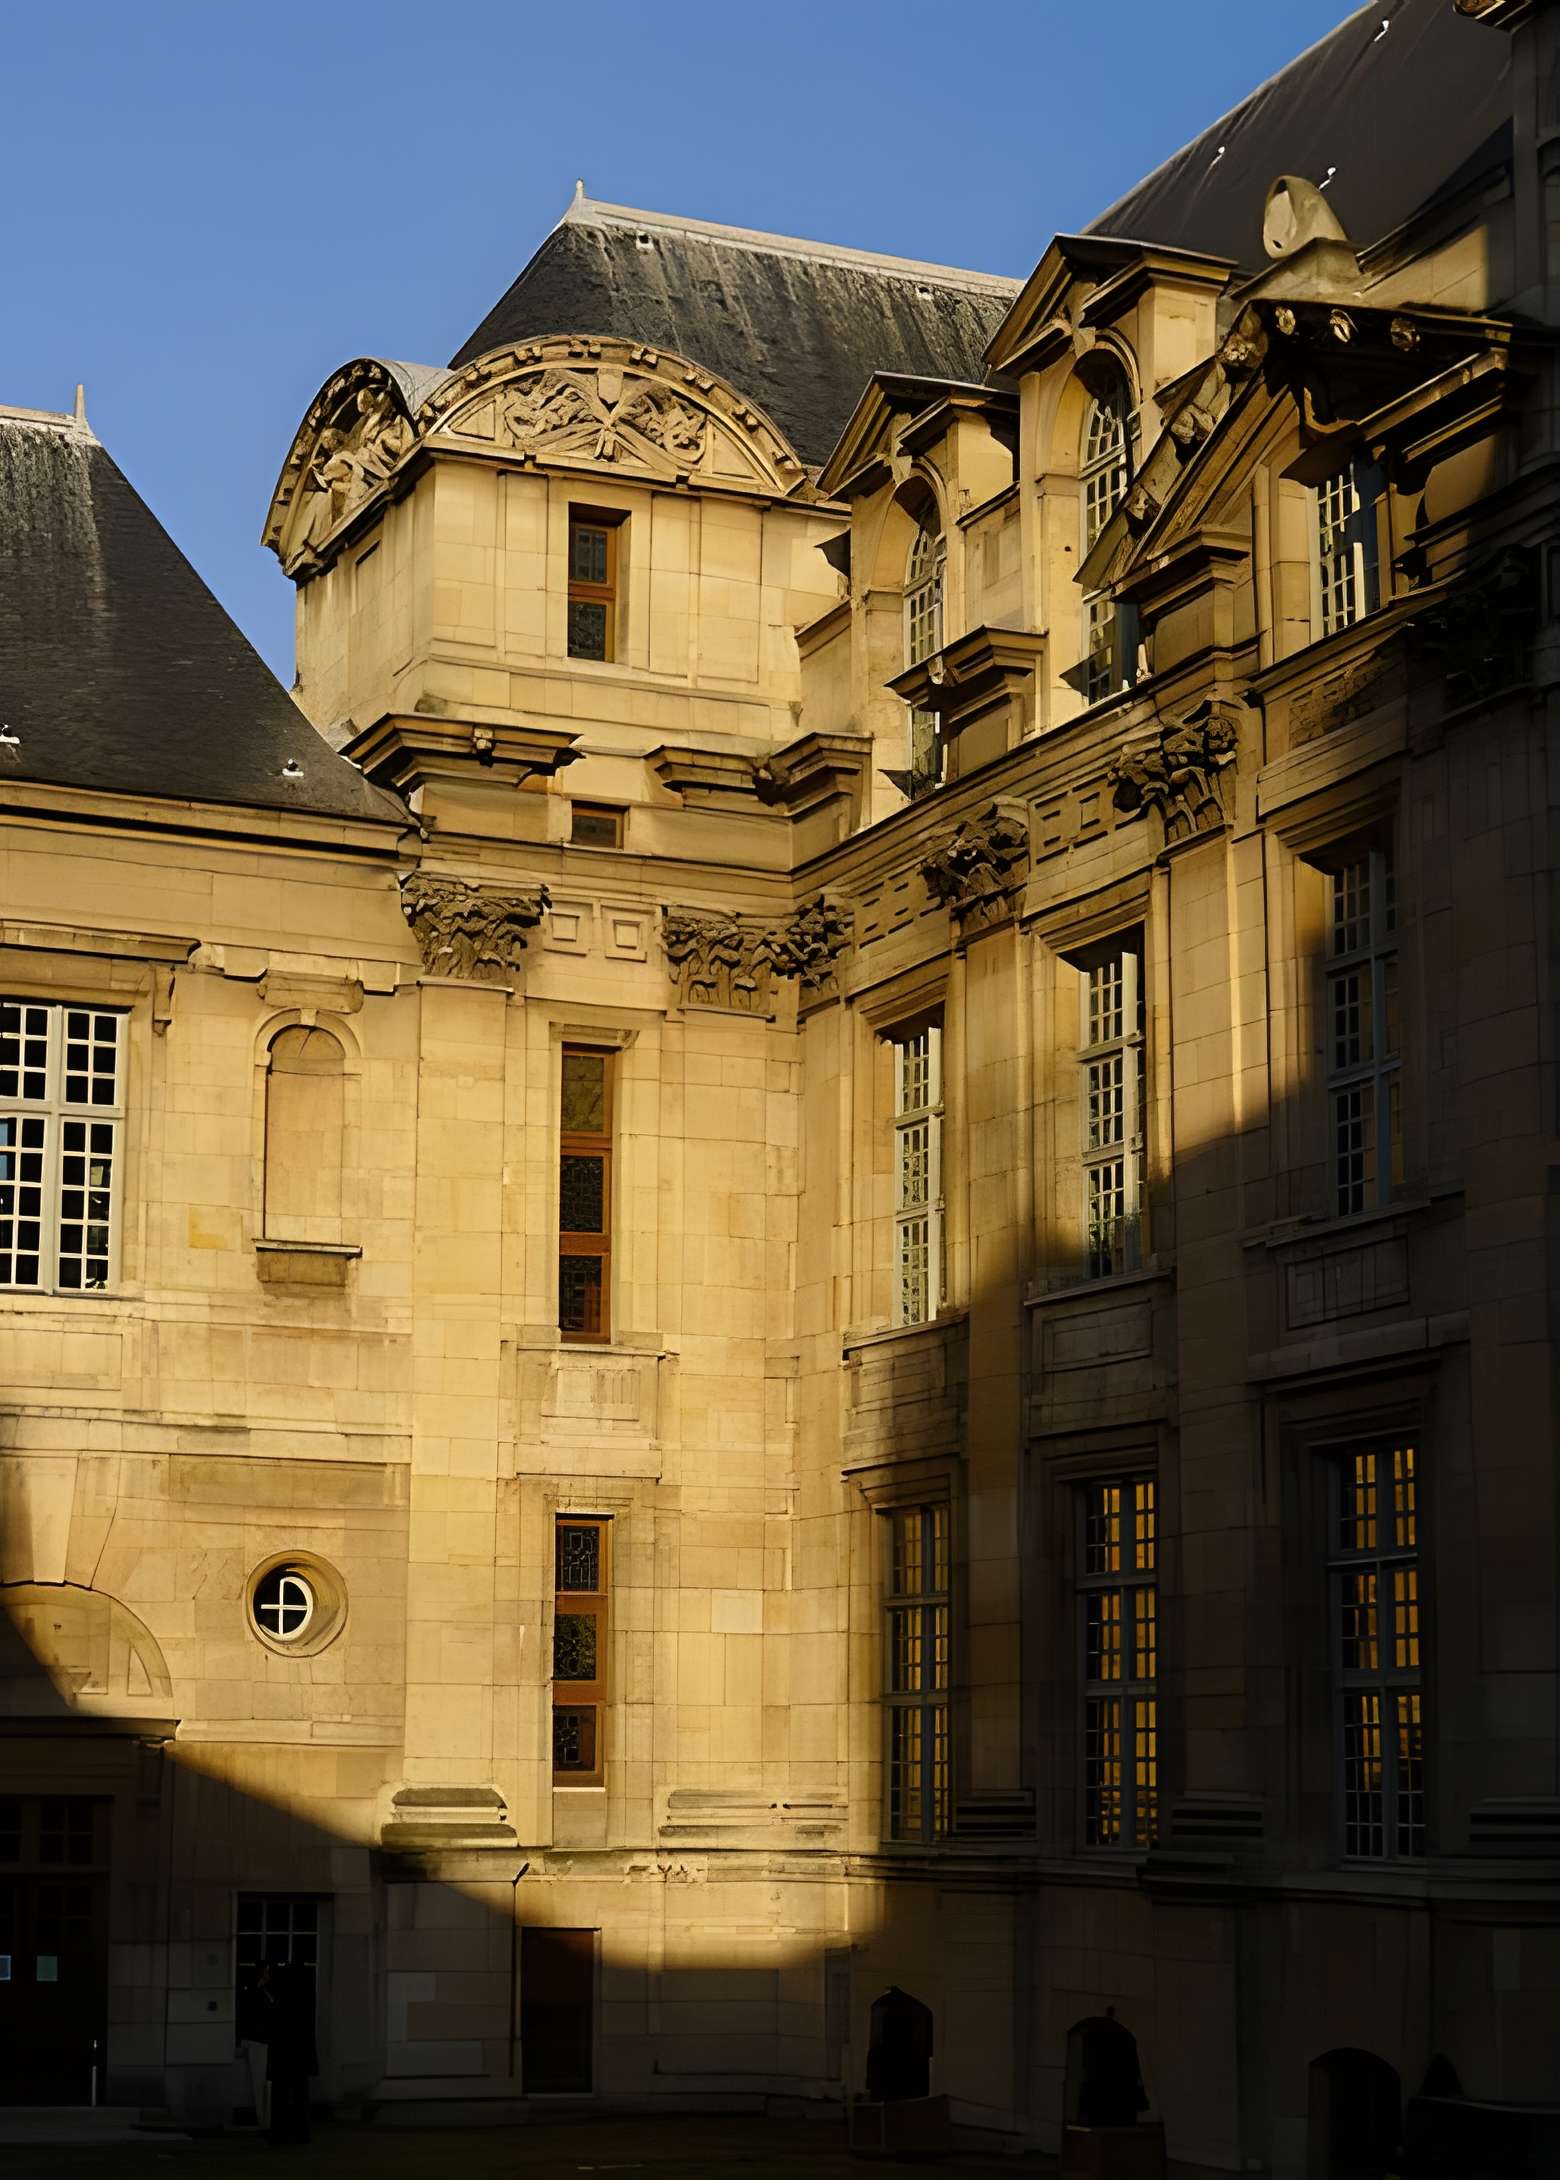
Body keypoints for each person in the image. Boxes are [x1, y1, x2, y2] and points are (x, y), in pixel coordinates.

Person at [265, 1961, 318, 2147]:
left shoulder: (282, 2004)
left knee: (282, 2095)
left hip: (285, 2055)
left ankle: (281, 2134)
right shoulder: (301, 2002)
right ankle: (299, 2134)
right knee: (298, 2094)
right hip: (298, 2055)